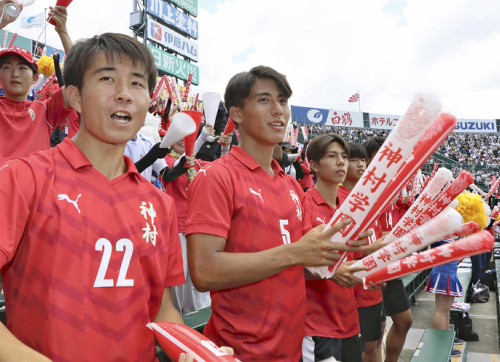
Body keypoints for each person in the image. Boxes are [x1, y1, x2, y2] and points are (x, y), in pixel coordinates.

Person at [0, 33, 186, 360]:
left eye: (137, 84)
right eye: (107, 79)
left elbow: (163, 310)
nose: (124, 94)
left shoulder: (160, 205)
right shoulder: (22, 178)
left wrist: (194, 350)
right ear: (75, 97)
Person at [185, 65, 364, 361]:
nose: (278, 110)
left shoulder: (291, 185)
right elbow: (204, 272)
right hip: (241, 351)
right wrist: (294, 253)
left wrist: (337, 253)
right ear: (237, 114)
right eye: (265, 100)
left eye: (282, 100)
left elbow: (298, 263)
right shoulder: (217, 176)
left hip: (292, 347)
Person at [301, 134, 365, 362]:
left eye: (344, 157)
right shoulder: (304, 204)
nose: (341, 162)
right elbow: (296, 263)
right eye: (332, 156)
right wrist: (332, 270)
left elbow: (354, 262)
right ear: (314, 165)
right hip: (317, 324)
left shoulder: (351, 209)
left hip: (348, 319)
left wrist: (369, 273)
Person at [0, 1, 72, 166]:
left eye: (22, 67)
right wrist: (1, 21)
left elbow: (80, 77)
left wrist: (63, 32)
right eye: (7, 67)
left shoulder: (45, 112)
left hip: (36, 191)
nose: (15, 73)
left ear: (35, 78)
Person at [363, 136, 413, 362]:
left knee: (404, 321)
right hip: (369, 270)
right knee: (375, 334)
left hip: (389, 266)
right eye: (380, 158)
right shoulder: (361, 191)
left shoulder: (391, 190)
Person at [341, 142, 387, 362]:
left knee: (378, 340)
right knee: (366, 348)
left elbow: (375, 237)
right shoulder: (339, 200)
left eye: (362, 160)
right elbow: (345, 252)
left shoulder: (367, 199)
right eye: (353, 160)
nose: (360, 165)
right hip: (357, 291)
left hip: (374, 285)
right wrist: (375, 249)